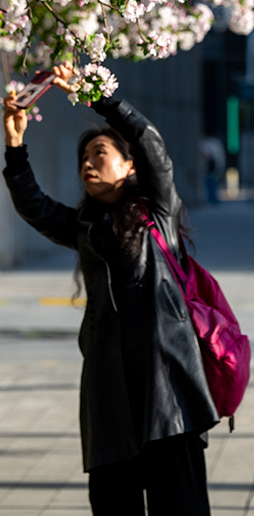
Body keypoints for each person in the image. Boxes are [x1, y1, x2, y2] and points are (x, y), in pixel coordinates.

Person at [3, 65, 219, 516]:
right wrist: (16, 146)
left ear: (129, 165)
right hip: (109, 392)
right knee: (113, 504)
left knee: (179, 507)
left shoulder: (158, 209)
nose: (87, 163)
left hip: (168, 390)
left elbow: (150, 142)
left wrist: (96, 95)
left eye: (99, 153)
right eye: (83, 158)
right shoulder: (84, 226)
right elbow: (36, 208)